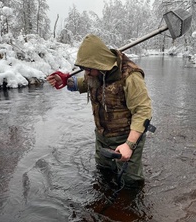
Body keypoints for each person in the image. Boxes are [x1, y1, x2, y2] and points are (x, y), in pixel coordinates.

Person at [47, 34, 152, 188]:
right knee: (104, 174)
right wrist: (66, 81)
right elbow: (86, 83)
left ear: (101, 64)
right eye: (83, 69)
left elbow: (143, 111)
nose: (86, 73)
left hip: (125, 137)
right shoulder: (95, 72)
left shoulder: (131, 76)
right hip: (102, 136)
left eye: (88, 69)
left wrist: (129, 145)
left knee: (131, 184)